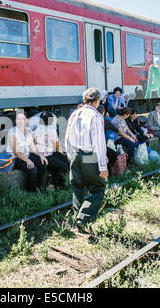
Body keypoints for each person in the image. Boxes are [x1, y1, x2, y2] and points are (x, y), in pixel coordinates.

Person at [65, 88, 108, 231]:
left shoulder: (75, 114)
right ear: (96, 101)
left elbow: (67, 137)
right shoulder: (96, 116)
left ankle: (76, 217)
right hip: (89, 155)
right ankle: (82, 218)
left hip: (76, 154)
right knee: (98, 188)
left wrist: (71, 156)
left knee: (77, 187)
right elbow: (99, 142)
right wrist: (103, 166)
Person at [7, 110, 47, 193]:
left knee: (42, 163)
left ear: (27, 120)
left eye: (22, 119)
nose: (20, 121)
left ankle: (38, 186)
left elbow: (33, 147)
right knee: (32, 169)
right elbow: (16, 151)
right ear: (15, 121)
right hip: (15, 158)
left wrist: (41, 155)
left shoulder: (29, 130)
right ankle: (31, 192)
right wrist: (27, 160)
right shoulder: (12, 132)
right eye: (18, 119)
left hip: (26, 155)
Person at [32, 111, 69, 189]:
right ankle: (52, 185)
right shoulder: (51, 131)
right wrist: (61, 153)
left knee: (63, 160)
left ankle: (60, 183)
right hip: (46, 155)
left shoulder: (34, 129)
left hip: (36, 154)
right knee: (64, 166)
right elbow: (57, 147)